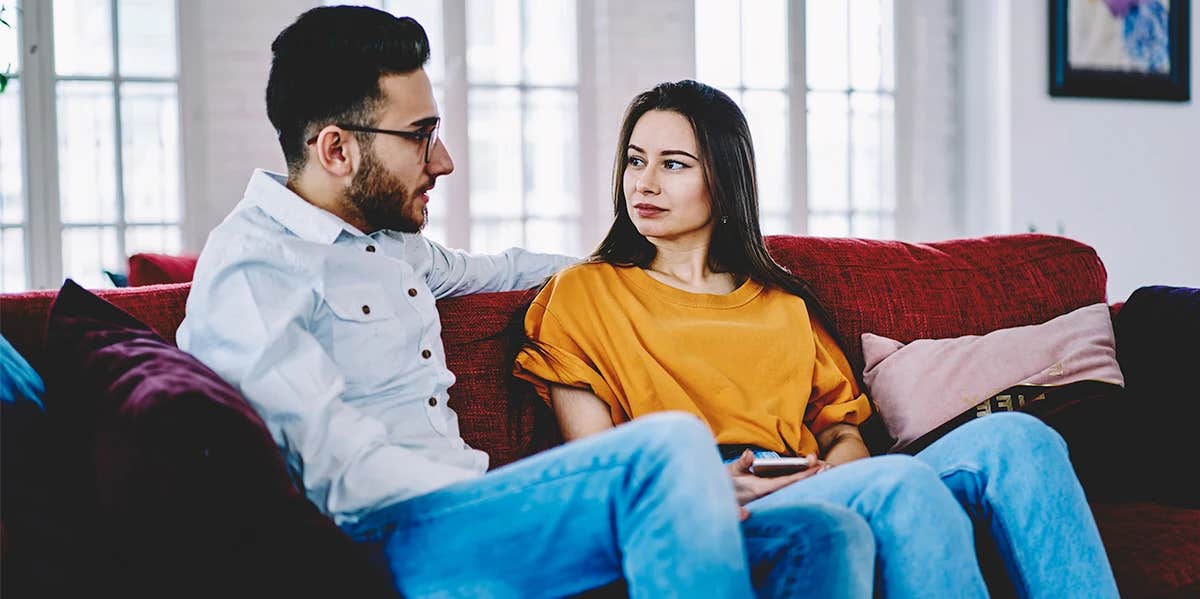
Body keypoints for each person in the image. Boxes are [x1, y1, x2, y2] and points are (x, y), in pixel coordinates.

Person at [178, 7, 878, 597]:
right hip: (389, 536)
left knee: (826, 532)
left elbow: (505, 269)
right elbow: (343, 473)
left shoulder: (388, 245)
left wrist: (651, 274)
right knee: (670, 447)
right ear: (336, 149)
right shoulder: (252, 271)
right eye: (421, 136)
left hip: (470, 513)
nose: (444, 160)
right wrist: (536, 488)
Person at [515, 79, 1121, 598]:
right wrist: (699, 487)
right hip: (707, 497)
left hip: (814, 478)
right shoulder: (584, 294)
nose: (644, 181)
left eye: (673, 163)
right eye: (635, 159)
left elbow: (842, 431)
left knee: (1020, 438)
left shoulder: (783, 305)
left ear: (724, 180)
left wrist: (834, 475)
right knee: (901, 481)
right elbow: (596, 467)